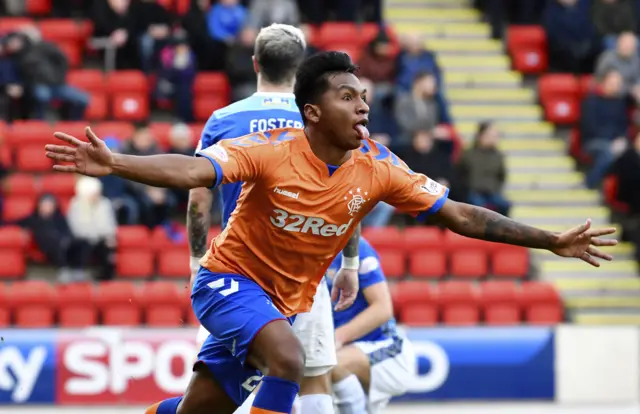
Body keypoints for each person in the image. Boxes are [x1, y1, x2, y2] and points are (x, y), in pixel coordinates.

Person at [46, 51, 618, 414]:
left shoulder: (377, 165)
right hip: (227, 283)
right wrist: (117, 163)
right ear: (311, 112)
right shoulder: (270, 150)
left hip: (284, 302)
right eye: (347, 96)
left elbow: (462, 216)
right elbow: (195, 171)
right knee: (289, 361)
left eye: (364, 96)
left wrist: (550, 240)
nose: (363, 105)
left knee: (200, 411)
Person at [187, 24, 360, 414]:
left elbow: (199, 195)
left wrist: (197, 260)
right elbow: (353, 192)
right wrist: (349, 263)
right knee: (312, 375)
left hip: (235, 272)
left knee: (213, 392)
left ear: (255, 64)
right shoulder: (320, 117)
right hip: (307, 271)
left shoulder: (223, 119)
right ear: (301, 69)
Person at [327, 237, 414, 414]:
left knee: (328, 364)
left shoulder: (355, 248)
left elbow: (383, 308)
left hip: (387, 348)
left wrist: (335, 339)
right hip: (341, 349)